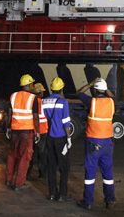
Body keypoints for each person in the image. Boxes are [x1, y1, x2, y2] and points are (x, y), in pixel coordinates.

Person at [76, 77, 116, 210]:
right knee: (108, 173)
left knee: (90, 173)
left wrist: (91, 83)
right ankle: (110, 200)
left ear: (94, 90)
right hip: (107, 142)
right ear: (104, 90)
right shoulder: (111, 102)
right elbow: (112, 95)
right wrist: (105, 87)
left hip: (93, 142)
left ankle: (88, 202)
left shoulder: (91, 102)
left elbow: (79, 93)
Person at [5, 74, 40, 191]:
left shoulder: (13, 96)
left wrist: (8, 128)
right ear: (29, 85)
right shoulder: (33, 98)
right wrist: (37, 132)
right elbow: (35, 117)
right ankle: (19, 183)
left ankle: (9, 180)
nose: (33, 86)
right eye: (32, 84)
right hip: (26, 131)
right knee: (24, 157)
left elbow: (9, 114)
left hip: (14, 130)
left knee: (12, 155)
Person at [42, 77, 74, 201]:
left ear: (51, 88)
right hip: (61, 138)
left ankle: (52, 194)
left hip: (50, 137)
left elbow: (45, 118)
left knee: (51, 166)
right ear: (61, 89)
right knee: (64, 167)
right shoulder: (63, 102)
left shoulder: (44, 101)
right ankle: (62, 195)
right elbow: (66, 122)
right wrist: (69, 138)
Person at [28, 82, 48, 181]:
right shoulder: (43, 102)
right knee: (42, 154)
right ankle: (42, 174)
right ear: (39, 92)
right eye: (42, 91)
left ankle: (27, 174)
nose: (43, 93)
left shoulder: (30, 102)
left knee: (31, 153)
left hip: (31, 130)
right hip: (42, 131)